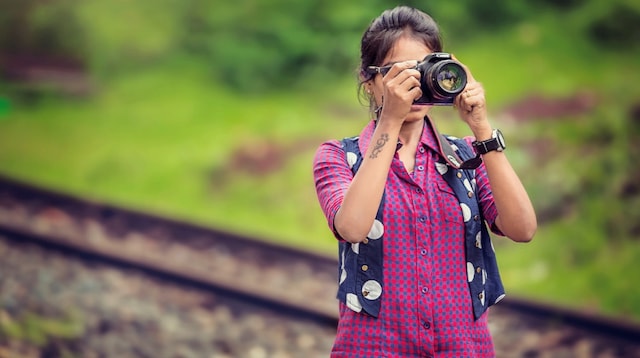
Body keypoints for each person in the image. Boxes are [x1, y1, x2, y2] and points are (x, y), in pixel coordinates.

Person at [312, 6, 537, 357]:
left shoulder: (466, 156)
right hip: (374, 348)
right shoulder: (338, 157)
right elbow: (353, 227)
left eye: (425, 69)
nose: (415, 85)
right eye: (400, 73)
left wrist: (480, 126)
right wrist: (390, 121)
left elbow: (522, 228)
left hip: (463, 347)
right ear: (369, 82)